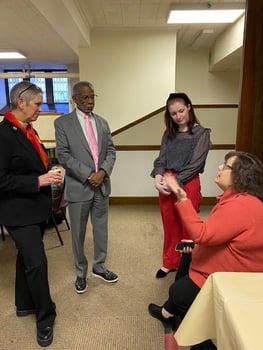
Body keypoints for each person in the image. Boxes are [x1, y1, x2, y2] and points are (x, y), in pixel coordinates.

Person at [148, 151, 263, 350]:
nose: (219, 168)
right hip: (231, 264)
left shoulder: (241, 205)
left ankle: (201, 339)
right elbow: (220, 235)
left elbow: (202, 234)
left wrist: (181, 196)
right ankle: (168, 313)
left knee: (178, 292)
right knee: (186, 256)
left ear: (241, 175)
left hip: (233, 276)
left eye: (225, 166)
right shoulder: (241, 200)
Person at [0, 81, 63, 347]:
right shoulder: (3, 135)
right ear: (20, 102)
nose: (41, 108)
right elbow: (1, 180)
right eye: (37, 104)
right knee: (37, 263)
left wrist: (51, 169)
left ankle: (24, 303)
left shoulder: (26, 129)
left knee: (25, 257)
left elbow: (33, 162)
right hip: (17, 212)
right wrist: (39, 181)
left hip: (34, 208)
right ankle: (45, 315)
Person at [54, 81, 118, 294]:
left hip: (101, 185)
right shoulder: (62, 123)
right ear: (74, 99)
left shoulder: (103, 123)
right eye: (85, 98)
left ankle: (99, 266)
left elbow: (110, 151)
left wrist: (103, 173)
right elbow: (63, 155)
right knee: (78, 233)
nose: (90, 102)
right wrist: (88, 174)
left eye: (92, 97)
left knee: (101, 229)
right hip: (79, 186)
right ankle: (81, 272)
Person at [151, 92, 211, 278]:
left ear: (189, 107)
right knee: (169, 224)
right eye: (173, 113)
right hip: (167, 181)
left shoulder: (201, 133)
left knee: (188, 226)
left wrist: (175, 182)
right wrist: (158, 176)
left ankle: (188, 265)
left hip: (188, 182)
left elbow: (196, 165)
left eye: (181, 111)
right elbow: (161, 159)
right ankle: (170, 261)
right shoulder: (168, 134)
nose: (178, 116)